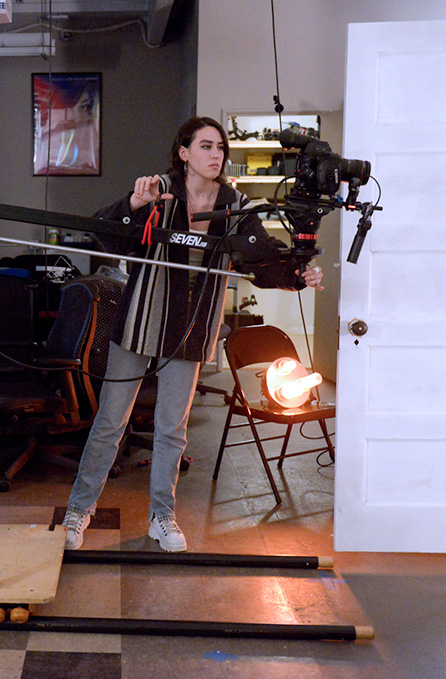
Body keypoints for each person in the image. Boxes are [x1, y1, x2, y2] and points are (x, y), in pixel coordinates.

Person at [61, 116, 324, 553]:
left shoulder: (235, 205)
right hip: (139, 323)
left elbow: (260, 261)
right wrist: (133, 203)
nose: (216, 154)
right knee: (110, 422)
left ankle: (162, 517)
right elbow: (106, 234)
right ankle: (79, 509)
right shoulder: (159, 192)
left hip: (192, 328)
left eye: (220, 146)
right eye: (205, 146)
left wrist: (297, 274)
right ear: (184, 153)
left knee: (172, 430)